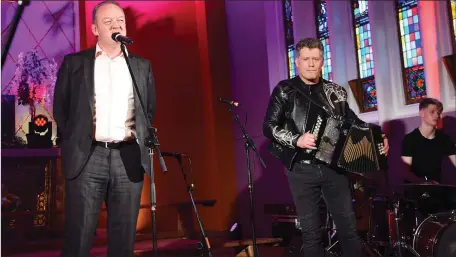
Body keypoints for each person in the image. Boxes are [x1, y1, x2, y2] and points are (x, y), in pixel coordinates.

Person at [263, 38, 389, 257]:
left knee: (349, 230)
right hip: (301, 169)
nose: (311, 64)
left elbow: (354, 123)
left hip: (335, 167)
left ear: (322, 61)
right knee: (312, 234)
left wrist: (379, 140)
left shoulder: (335, 92)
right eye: (306, 59)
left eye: (316, 59)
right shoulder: (284, 90)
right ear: (297, 62)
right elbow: (268, 126)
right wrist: (296, 140)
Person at [53, 1, 156, 257]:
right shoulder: (75, 63)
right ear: (95, 28)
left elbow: (149, 110)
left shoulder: (141, 66)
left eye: (120, 20)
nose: (116, 25)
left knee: (123, 239)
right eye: (108, 21)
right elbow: (61, 109)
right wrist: (74, 143)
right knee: (79, 234)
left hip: (128, 157)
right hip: (88, 156)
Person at [401, 98, 456, 184]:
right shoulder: (410, 139)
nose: (437, 115)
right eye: (432, 112)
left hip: (437, 190)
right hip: (415, 190)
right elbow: (405, 172)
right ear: (421, 114)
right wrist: (425, 182)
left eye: (438, 113)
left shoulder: (444, 139)